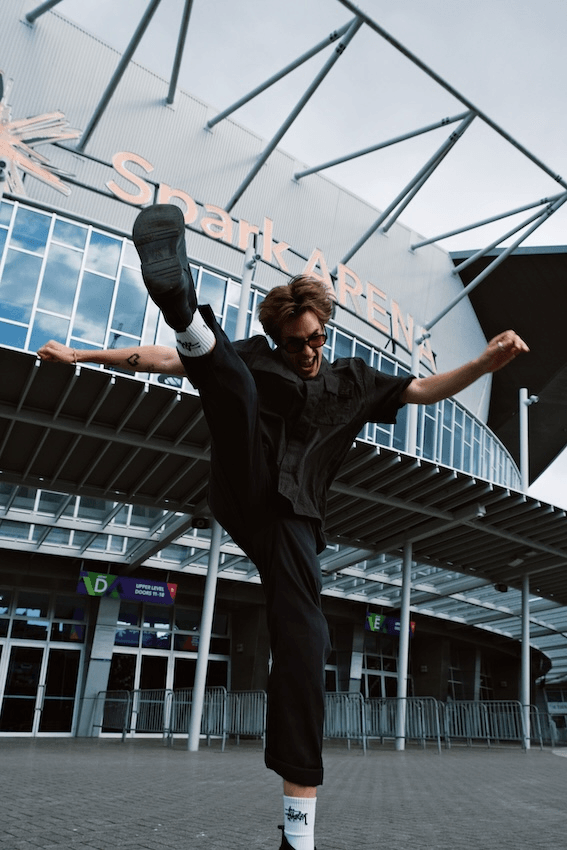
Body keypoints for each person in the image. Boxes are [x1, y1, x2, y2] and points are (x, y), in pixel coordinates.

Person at [38, 204, 529, 850]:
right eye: (295, 343)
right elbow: (158, 361)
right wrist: (81, 352)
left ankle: (297, 839)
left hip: (294, 523)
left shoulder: (353, 381)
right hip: (244, 486)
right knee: (235, 386)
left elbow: (420, 392)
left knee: (304, 641)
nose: (306, 353)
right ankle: (181, 302)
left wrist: (483, 366)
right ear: (280, 337)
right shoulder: (259, 359)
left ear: (326, 330)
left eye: (315, 340)